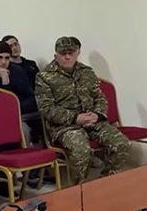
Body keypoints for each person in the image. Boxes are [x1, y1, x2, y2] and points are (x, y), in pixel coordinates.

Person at [35, 36, 130, 184]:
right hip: (65, 127)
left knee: (121, 144)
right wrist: (76, 118)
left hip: (93, 121)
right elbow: (46, 109)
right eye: (63, 53)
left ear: (78, 53)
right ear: (56, 55)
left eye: (71, 53)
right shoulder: (44, 77)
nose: (67, 56)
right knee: (82, 151)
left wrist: (97, 115)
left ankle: (107, 182)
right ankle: (79, 189)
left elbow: (100, 98)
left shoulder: (87, 72)